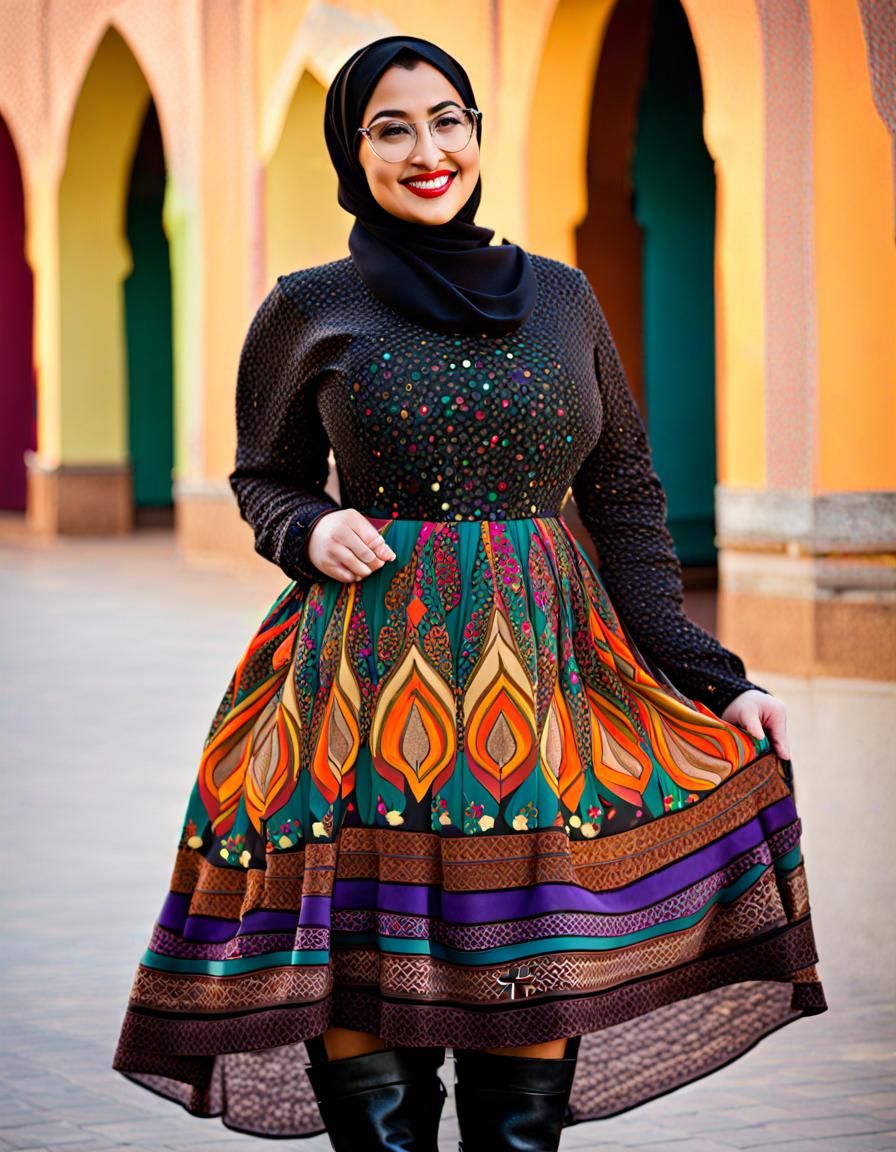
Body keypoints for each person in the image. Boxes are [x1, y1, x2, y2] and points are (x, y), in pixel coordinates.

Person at [111, 34, 827, 1152]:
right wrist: (306, 527)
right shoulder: (310, 305)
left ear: (476, 135)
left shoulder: (562, 299)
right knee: (370, 1023)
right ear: (353, 153)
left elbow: (625, 500)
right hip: (359, 702)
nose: (427, 151)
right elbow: (262, 475)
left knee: (527, 1008)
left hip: (540, 696)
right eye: (390, 129)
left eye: (447, 121)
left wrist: (715, 679)